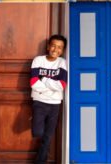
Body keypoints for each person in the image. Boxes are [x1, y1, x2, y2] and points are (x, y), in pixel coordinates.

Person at [30, 34, 68, 164]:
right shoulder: (38, 60)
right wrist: (52, 87)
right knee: (37, 132)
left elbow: (62, 85)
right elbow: (34, 82)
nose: (55, 49)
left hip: (55, 104)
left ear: (62, 50)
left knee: (48, 137)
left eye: (59, 47)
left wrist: (44, 79)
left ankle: (40, 162)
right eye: (53, 46)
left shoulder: (62, 63)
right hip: (39, 102)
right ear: (48, 46)